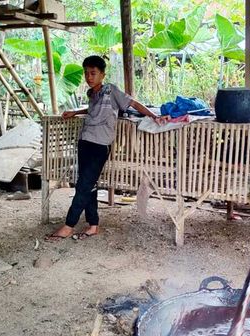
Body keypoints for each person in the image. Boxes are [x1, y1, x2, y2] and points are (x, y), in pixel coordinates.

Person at [47, 55, 163, 241]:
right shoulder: (92, 94)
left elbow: (133, 103)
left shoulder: (111, 91)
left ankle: (69, 225)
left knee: (83, 185)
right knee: (89, 185)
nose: (89, 77)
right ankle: (93, 225)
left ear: (102, 74)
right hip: (85, 141)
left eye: (93, 73)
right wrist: (75, 112)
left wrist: (154, 116)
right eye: (86, 73)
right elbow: (91, 110)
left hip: (100, 145)